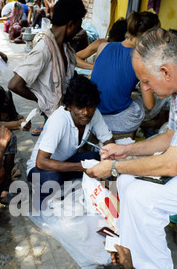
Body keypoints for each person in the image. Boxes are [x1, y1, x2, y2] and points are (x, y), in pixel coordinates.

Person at [86, 28, 177, 269]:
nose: (144, 89)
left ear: (165, 71)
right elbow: (170, 138)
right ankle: (131, 255)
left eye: (145, 81)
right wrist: (126, 151)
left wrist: (114, 167)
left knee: (143, 197)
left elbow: (170, 163)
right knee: (130, 184)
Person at [26, 74, 114, 207]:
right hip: (39, 170)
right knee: (53, 179)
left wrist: (109, 158)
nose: (85, 112)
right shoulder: (59, 120)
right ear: (69, 106)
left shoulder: (93, 114)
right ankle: (41, 199)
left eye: (90, 106)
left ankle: (106, 200)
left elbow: (108, 141)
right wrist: (81, 167)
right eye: (79, 107)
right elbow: (41, 162)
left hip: (62, 164)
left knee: (95, 158)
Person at [8, 0, 87, 135]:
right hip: (53, 116)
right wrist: (41, 100)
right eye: (78, 26)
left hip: (63, 112)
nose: (78, 31)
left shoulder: (64, 46)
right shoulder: (43, 50)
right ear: (70, 24)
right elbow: (14, 84)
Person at [90, 10, 160, 137]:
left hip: (93, 115)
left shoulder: (103, 47)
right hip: (117, 122)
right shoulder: (141, 59)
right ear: (148, 36)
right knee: (150, 99)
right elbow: (150, 105)